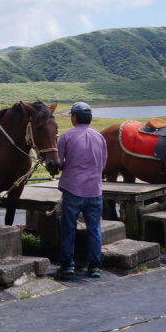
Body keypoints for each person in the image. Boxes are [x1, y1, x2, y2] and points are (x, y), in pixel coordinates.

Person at [56, 101, 107, 278]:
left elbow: (59, 164)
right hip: (95, 190)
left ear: (74, 117)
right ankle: (94, 267)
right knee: (95, 228)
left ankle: (68, 265)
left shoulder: (66, 137)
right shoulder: (100, 137)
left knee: (68, 227)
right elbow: (103, 163)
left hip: (72, 190)